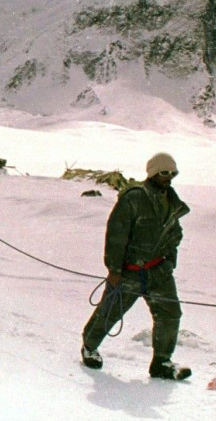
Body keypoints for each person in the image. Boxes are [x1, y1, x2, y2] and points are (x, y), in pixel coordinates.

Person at [81, 153, 192, 380]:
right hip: (128, 272)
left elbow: (175, 235)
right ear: (152, 173)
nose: (168, 177)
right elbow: (116, 234)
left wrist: (169, 263)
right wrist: (114, 270)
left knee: (170, 314)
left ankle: (161, 362)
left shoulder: (172, 201)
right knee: (111, 311)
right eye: (164, 172)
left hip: (159, 271)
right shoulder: (134, 198)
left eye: (172, 173)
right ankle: (89, 347)